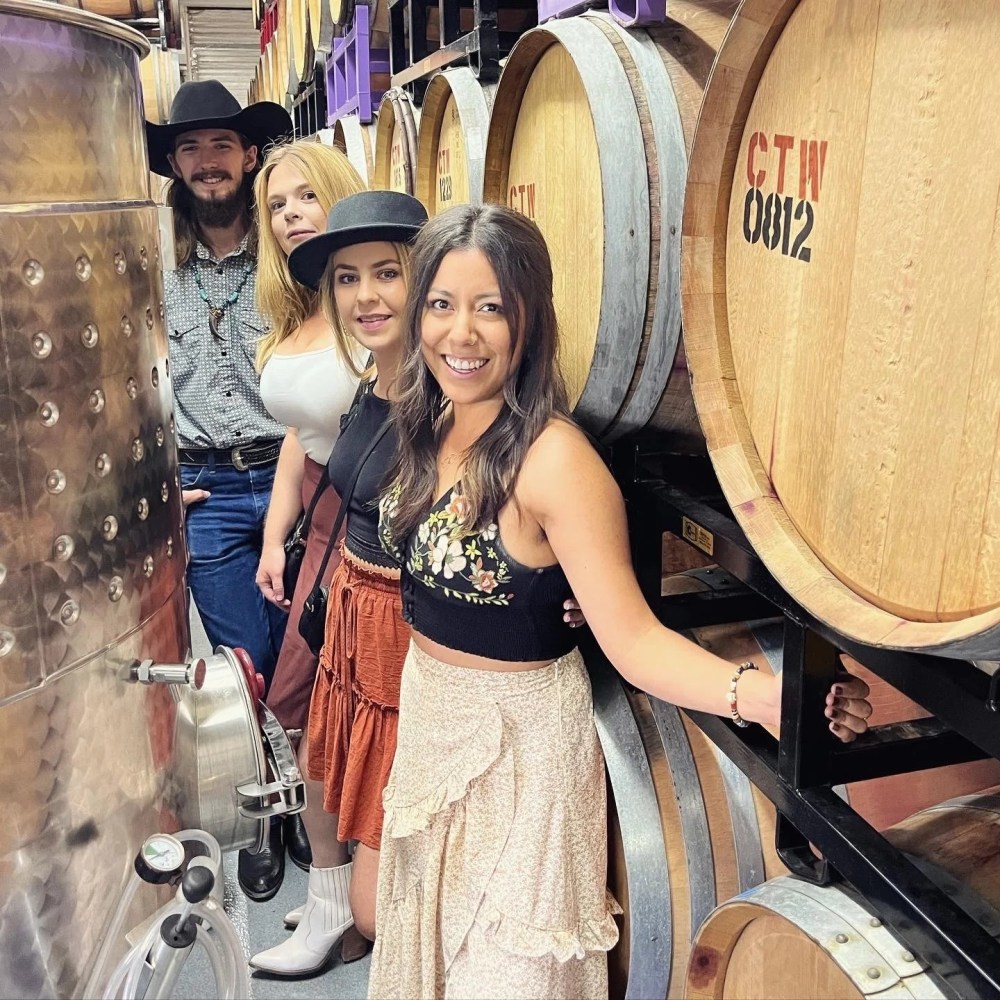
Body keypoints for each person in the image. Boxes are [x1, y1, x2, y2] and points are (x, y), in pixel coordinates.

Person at [370, 204, 874, 999]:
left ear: (529, 321)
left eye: (490, 307)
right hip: (434, 721)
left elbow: (634, 639)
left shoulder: (555, 463)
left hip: (523, 756)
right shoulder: (433, 423)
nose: (460, 334)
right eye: (441, 304)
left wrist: (766, 698)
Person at [248, 193, 594, 977]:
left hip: (416, 641)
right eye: (347, 279)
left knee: (400, 881)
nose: (367, 296)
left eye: (388, 274)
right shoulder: (382, 385)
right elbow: (318, 455)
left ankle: (360, 915)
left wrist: (561, 592)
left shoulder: (456, 398)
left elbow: (523, 513)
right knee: (328, 767)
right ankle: (336, 906)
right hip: (357, 608)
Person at [146, 80, 296, 901]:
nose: (208, 162)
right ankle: (267, 810)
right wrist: (159, 480)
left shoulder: (288, 257)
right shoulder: (153, 266)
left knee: (304, 652)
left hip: (288, 475)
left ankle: (308, 797)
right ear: (175, 164)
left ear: (248, 155)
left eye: (221, 146)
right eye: (191, 148)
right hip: (206, 487)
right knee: (244, 664)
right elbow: (121, 382)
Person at [245, 139, 366, 900]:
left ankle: (347, 889)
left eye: (306, 196)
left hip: (370, 514)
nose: (291, 214)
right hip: (319, 519)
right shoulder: (298, 311)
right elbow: (299, 434)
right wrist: (273, 539)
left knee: (341, 703)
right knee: (297, 703)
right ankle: (331, 886)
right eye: (277, 206)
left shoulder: (371, 301)